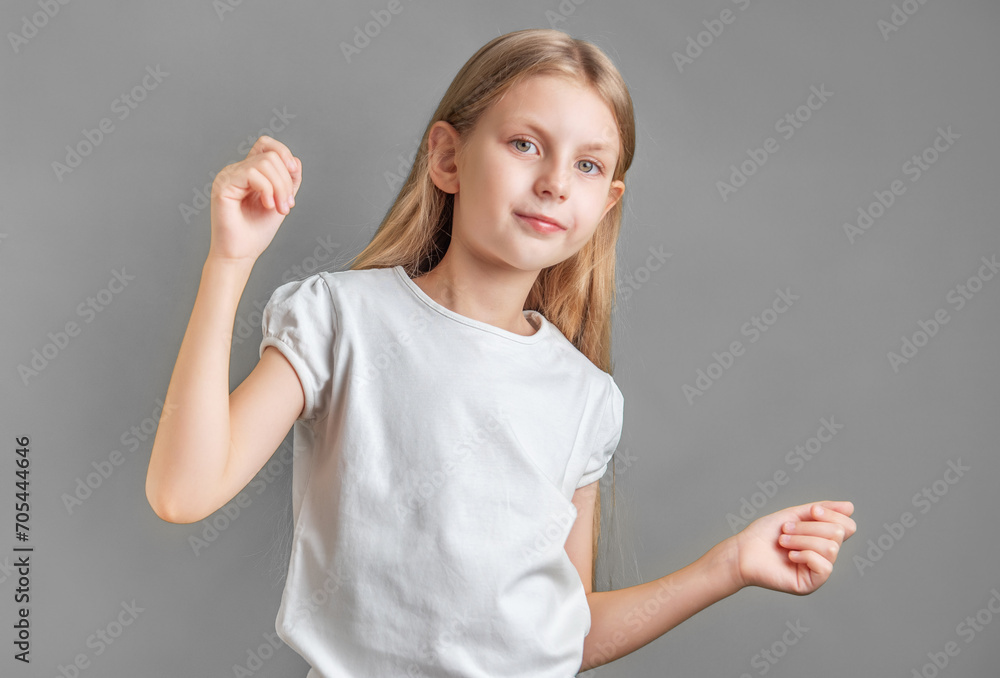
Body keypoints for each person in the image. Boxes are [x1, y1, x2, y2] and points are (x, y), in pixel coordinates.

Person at [145, 28, 857, 677]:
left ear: (606, 205)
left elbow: (566, 635)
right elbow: (183, 490)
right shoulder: (342, 318)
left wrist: (727, 566)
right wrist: (230, 261)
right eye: (525, 144)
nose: (553, 180)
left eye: (586, 165)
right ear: (447, 158)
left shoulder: (587, 399)